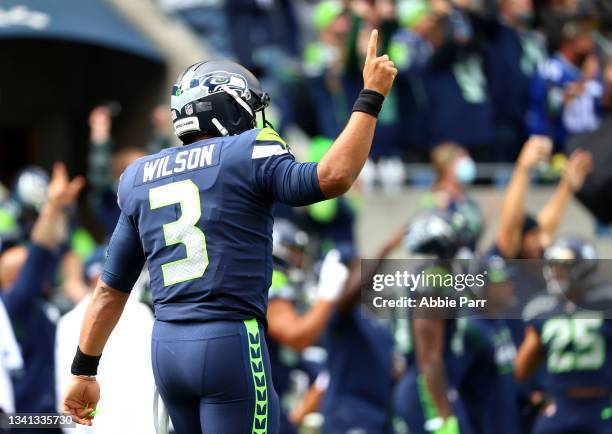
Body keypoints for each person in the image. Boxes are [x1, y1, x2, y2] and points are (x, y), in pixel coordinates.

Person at [61, 30, 397, 434]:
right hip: (228, 341)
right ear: (230, 106)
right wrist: (370, 97)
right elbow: (334, 176)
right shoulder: (247, 150)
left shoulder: (139, 175)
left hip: (167, 346)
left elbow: (109, 290)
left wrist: (84, 371)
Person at [0, 163, 84, 434]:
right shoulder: (14, 304)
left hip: (51, 416)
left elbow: (55, 249)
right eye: (25, 271)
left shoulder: (39, 302)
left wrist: (59, 210)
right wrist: (52, 206)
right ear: (12, 280)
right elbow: (39, 253)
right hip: (25, 421)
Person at [515, 235, 612, 434]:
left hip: (601, 405)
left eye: (562, 266)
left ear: (583, 267)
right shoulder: (542, 309)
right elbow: (521, 369)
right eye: (553, 265)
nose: (555, 272)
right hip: (560, 406)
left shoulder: (605, 303)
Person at [55, 247, 155, 434]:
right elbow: (66, 385)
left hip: (142, 421)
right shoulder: (70, 322)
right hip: (106, 424)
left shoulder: (141, 312)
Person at [394, 211, 474, 434]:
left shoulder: (428, 275)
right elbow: (429, 356)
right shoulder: (434, 280)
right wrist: (443, 415)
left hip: (429, 385)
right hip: (427, 391)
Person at [266, 219, 348, 434]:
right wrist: (327, 294)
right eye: (295, 252)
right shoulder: (271, 279)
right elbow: (298, 337)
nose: (299, 260)